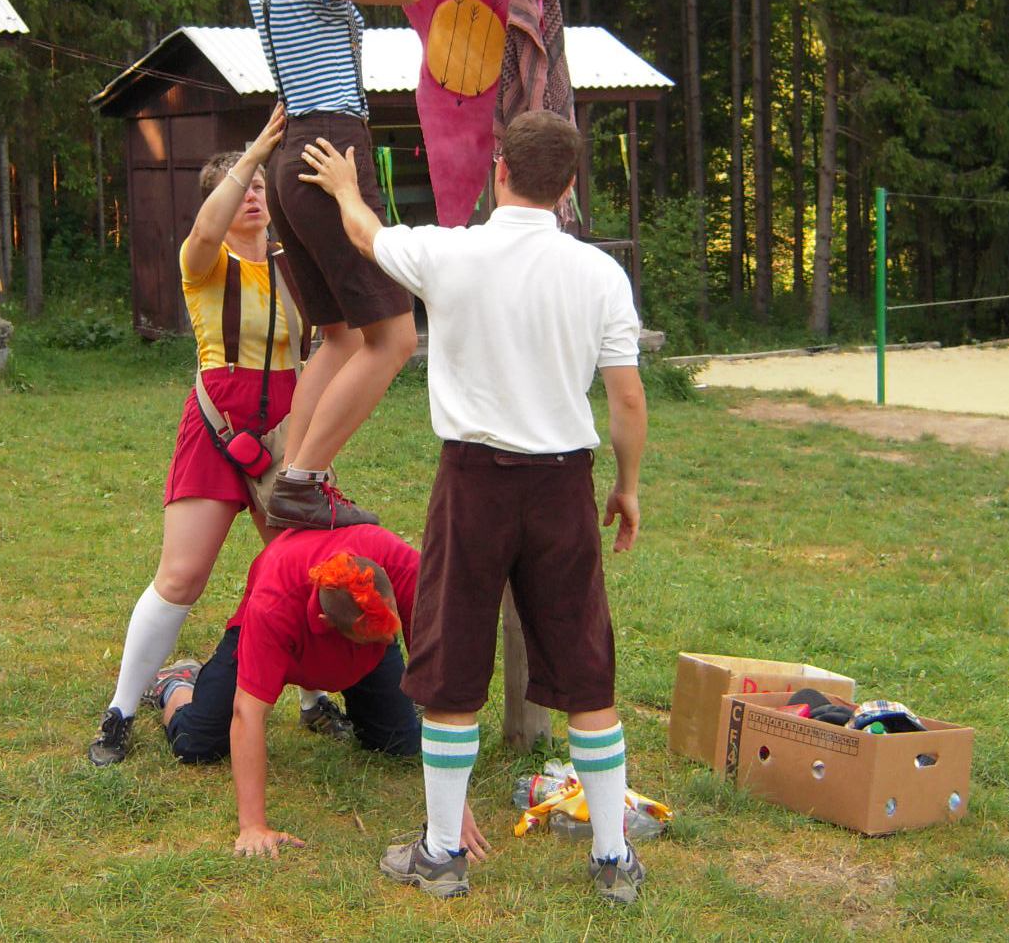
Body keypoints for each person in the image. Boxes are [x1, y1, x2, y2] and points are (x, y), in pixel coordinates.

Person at [301, 110, 649, 905]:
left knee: (451, 669)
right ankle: (609, 859)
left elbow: (364, 235)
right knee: (587, 671)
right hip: (563, 487)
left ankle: (441, 853)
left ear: (500, 171)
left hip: (472, 486)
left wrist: (348, 188)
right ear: (568, 187)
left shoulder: (448, 251)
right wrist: (625, 486)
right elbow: (626, 398)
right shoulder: (599, 274)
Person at [243, 0, 495, 530]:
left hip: (291, 153)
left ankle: (286, 470)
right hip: (333, 148)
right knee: (393, 336)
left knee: (341, 335)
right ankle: (302, 480)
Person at [88, 107, 348, 767]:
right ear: (220, 200)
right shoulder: (203, 262)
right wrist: (255, 150)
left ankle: (314, 698)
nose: (254, 193)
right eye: (242, 186)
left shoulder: (296, 266)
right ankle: (120, 711)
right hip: (219, 424)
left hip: (289, 428)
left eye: (261, 185)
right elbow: (205, 229)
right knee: (180, 576)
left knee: (302, 568)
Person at [142, 525, 487, 863]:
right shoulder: (273, 604)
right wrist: (253, 827)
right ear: (326, 622)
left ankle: (351, 679)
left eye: (391, 627)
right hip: (282, 635)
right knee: (196, 743)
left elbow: (438, 678)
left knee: (399, 742)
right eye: (377, 634)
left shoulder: (402, 566)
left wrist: (452, 812)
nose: (389, 638)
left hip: (360, 651)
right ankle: (175, 683)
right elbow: (249, 712)